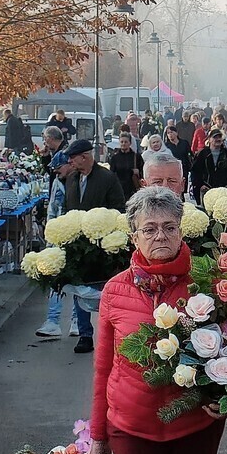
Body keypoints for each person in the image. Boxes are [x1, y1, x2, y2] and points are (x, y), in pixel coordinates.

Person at [88, 187, 227, 454]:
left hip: (194, 424)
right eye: (149, 229)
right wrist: (98, 436)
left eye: (169, 227)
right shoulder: (115, 290)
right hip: (132, 427)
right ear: (133, 236)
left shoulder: (208, 282)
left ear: (182, 231)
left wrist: (226, 401)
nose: (160, 236)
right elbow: (103, 368)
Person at [64, 139, 126, 353]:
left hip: (102, 247)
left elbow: (119, 208)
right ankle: (85, 335)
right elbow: (68, 209)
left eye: (73, 157)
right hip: (78, 246)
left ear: (85, 156)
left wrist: (107, 234)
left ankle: (111, 336)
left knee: (105, 292)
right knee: (80, 290)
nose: (70, 161)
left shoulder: (107, 178)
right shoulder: (71, 178)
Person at [36, 151, 80, 340]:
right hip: (58, 236)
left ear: (70, 164)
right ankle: (53, 321)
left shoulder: (80, 180)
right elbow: (53, 209)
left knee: (78, 281)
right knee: (55, 279)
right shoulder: (57, 182)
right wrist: (50, 236)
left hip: (76, 235)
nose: (56, 172)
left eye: (59, 168)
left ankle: (77, 320)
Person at [189, 130, 227, 205]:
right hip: (205, 189)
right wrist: (200, 185)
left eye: (219, 137)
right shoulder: (202, 154)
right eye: (215, 137)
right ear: (209, 139)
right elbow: (195, 171)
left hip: (221, 190)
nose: (218, 139)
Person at [107, 132, 145, 205]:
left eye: (126, 142)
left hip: (133, 189)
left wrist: (138, 172)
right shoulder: (115, 158)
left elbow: (143, 172)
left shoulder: (136, 157)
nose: (123, 144)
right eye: (122, 142)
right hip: (119, 190)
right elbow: (111, 174)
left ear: (130, 143)